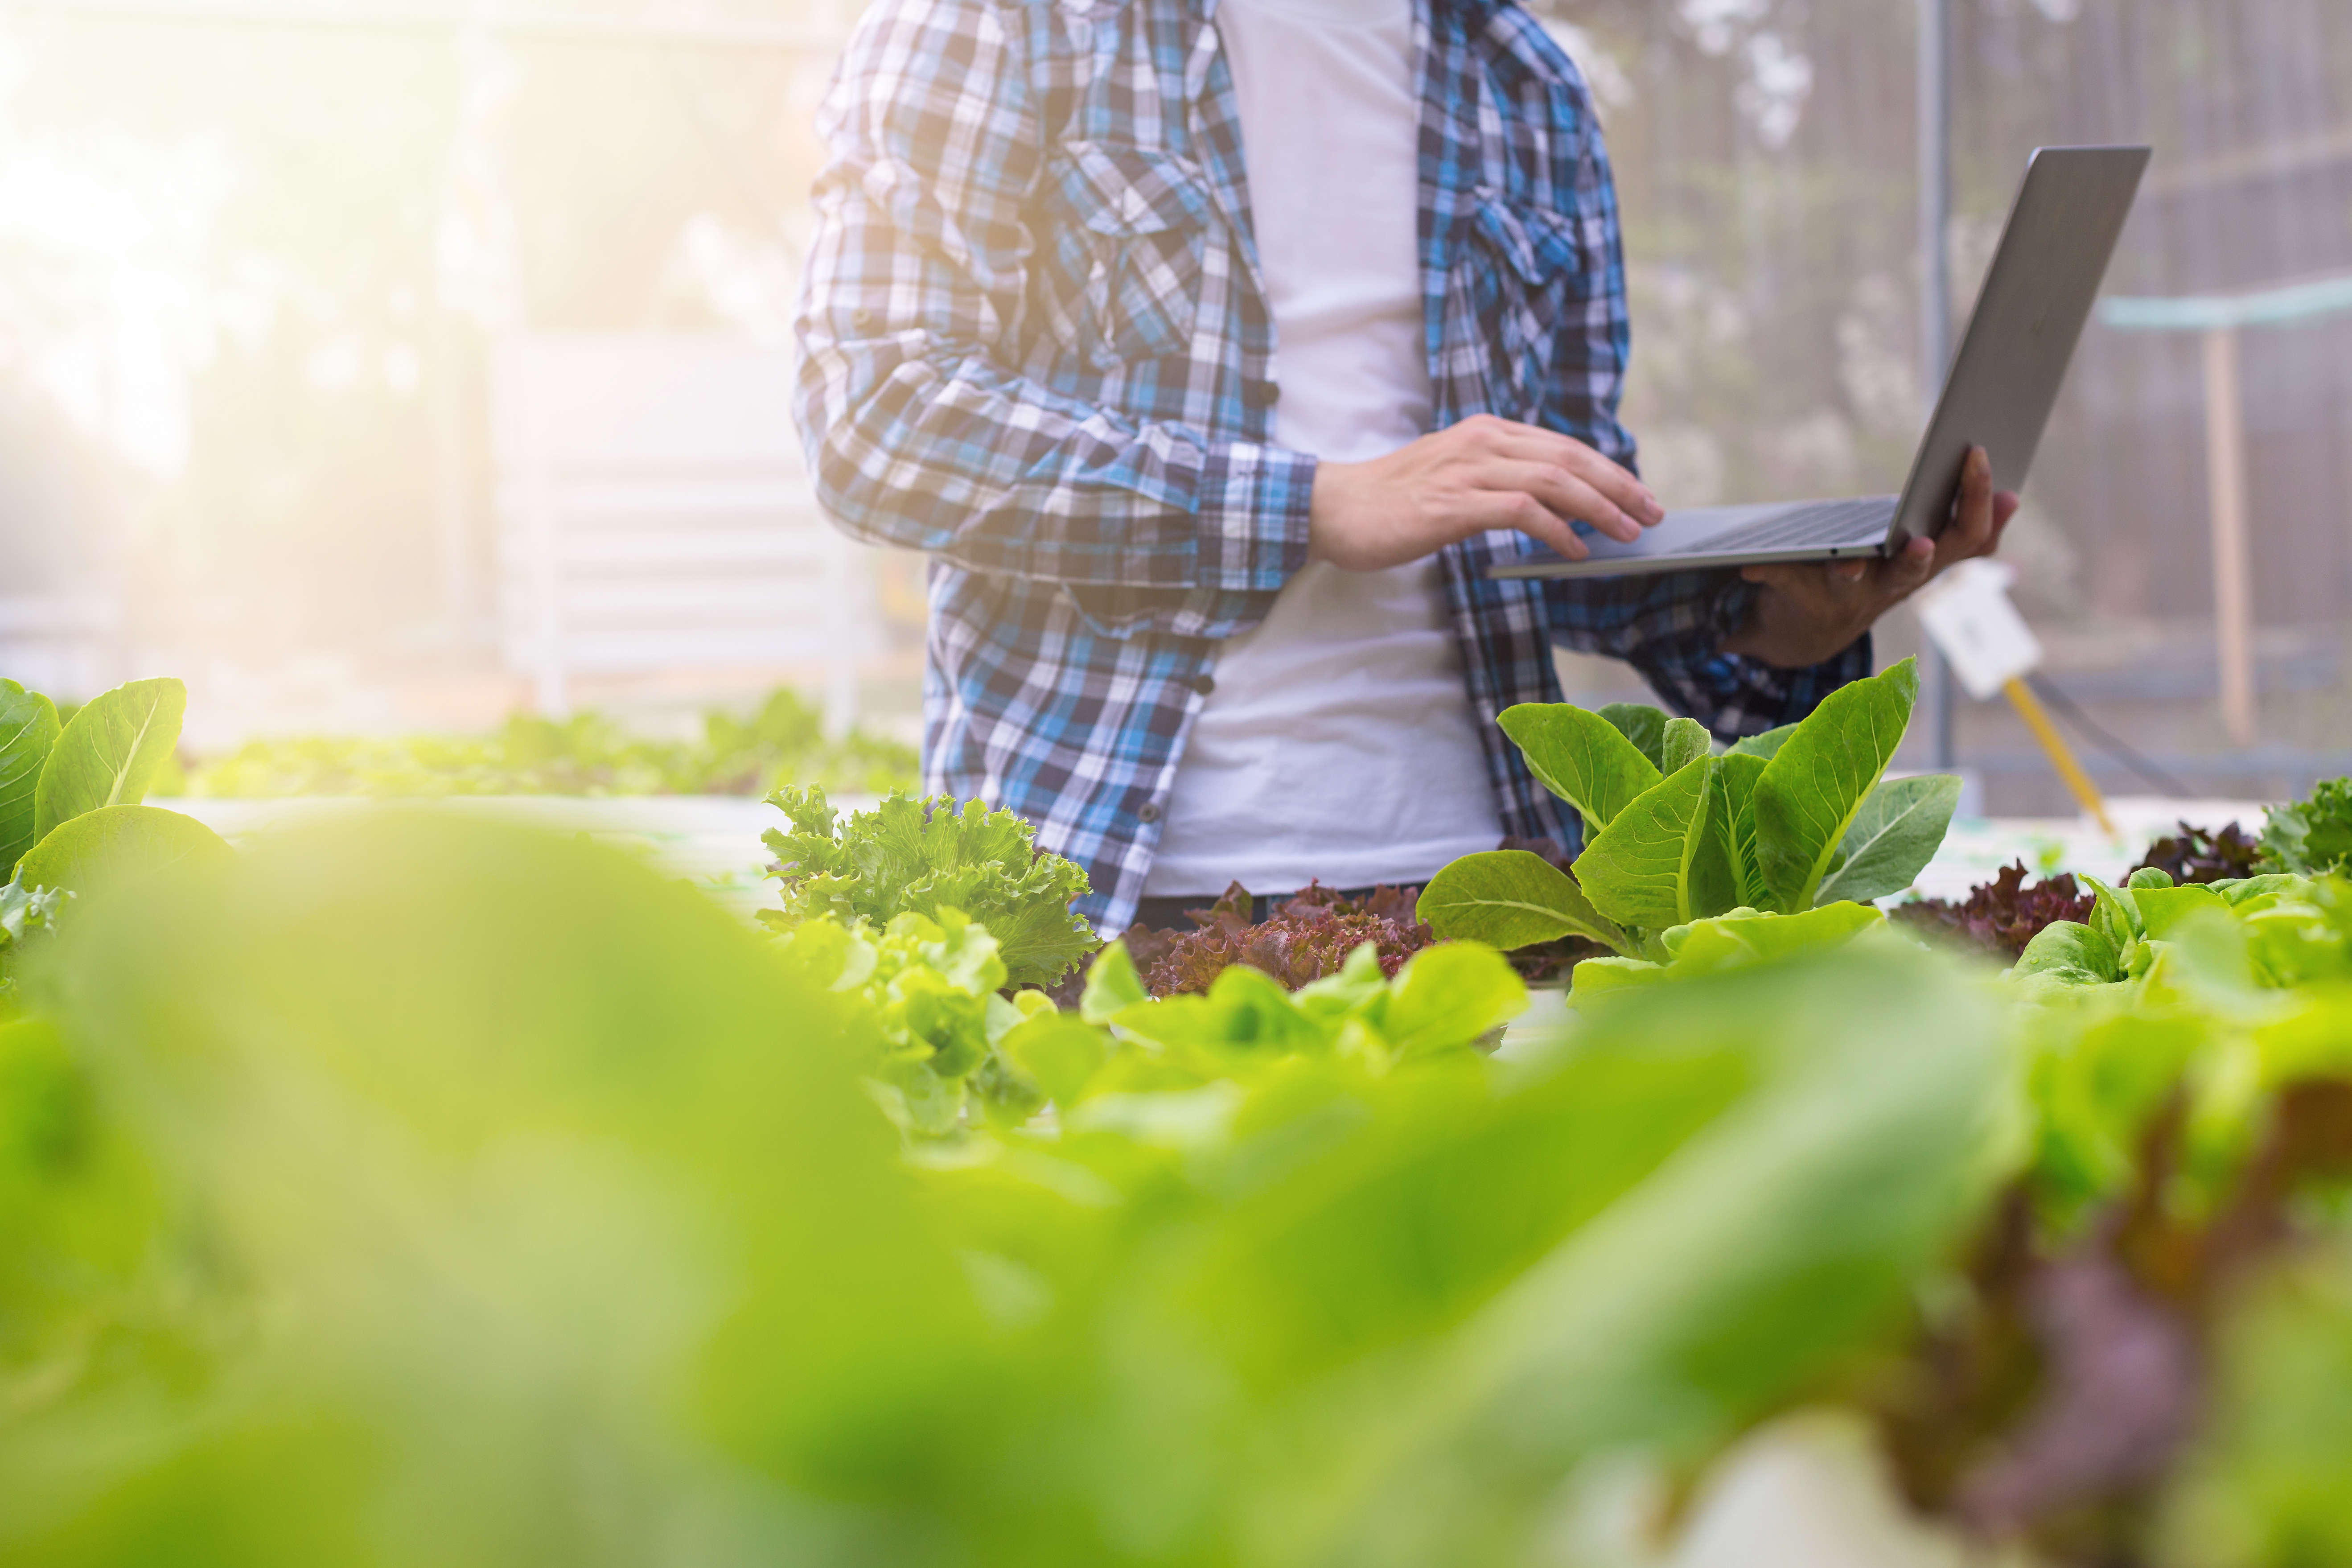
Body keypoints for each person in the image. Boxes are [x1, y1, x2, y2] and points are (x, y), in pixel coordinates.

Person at [793, 0, 2016, 936]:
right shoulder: (1006, 24)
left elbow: (1558, 495)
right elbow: (875, 418)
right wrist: (1312, 504)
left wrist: (1764, 623)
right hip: (1119, 887)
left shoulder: (1522, 78)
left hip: (1489, 893)